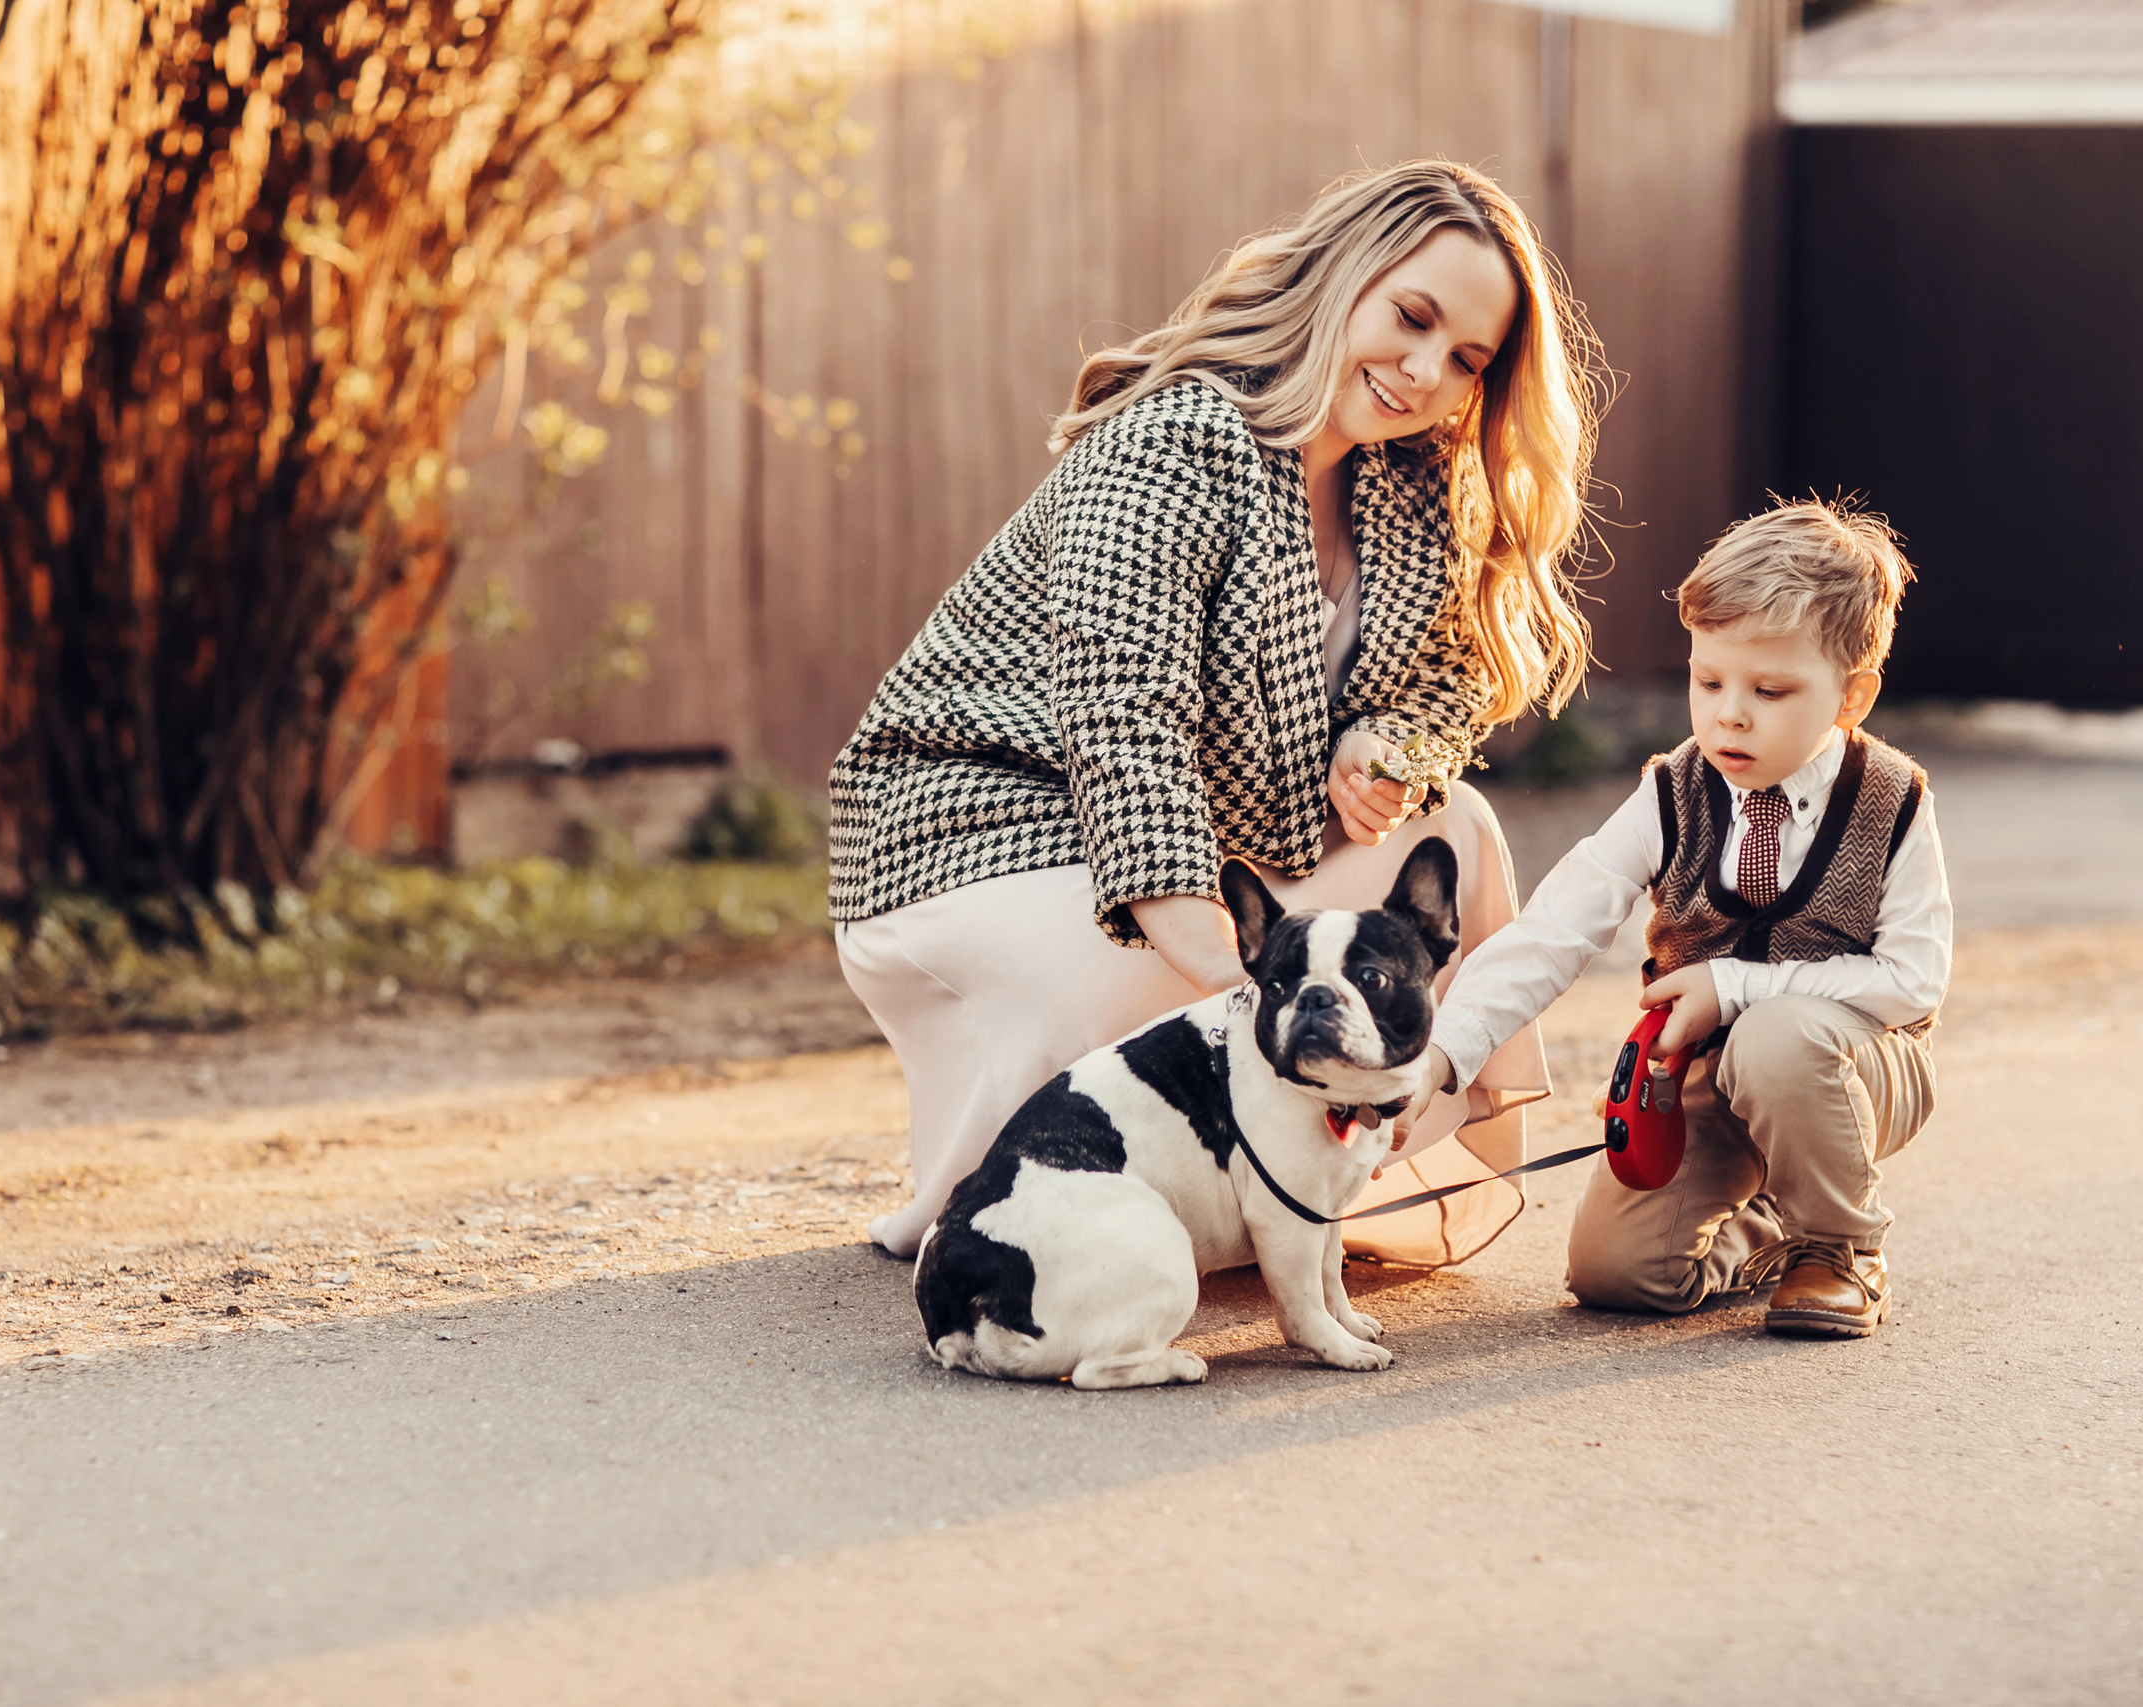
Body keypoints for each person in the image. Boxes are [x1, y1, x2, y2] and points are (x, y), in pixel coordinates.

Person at [827, 160, 1602, 1261]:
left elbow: (1448, 673)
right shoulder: (1175, 441)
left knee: (1455, 833)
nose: (1424, 370)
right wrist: (1258, 979)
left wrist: (1388, 741)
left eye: (1464, 359)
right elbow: (1121, 720)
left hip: (1221, 837)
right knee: (1142, 991)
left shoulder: (1411, 479)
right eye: (1411, 317)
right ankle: (1038, 1199)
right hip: (976, 834)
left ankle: (1405, 1158)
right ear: (1345, 276)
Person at [1411, 500, 1949, 1336]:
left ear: (1852, 696)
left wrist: (1734, 986)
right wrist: (1446, 1050)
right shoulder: (1672, 792)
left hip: (1859, 1067)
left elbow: (1913, 981)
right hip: (1697, 1076)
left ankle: (1842, 1248)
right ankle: (1769, 1226)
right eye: (1709, 681)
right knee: (1616, 1275)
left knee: (1776, 1039)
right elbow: (1556, 927)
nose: (1730, 712)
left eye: (1770, 689)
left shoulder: (1893, 800)